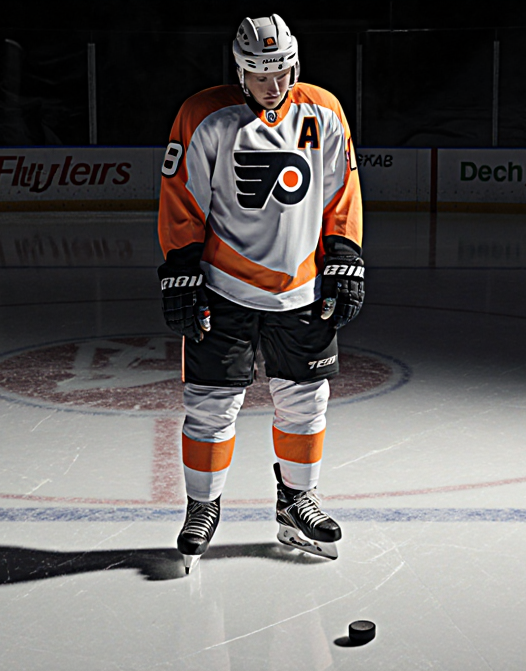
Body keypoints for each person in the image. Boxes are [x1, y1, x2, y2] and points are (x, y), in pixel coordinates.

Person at [157, 13, 365, 574]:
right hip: (224, 288)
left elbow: (340, 189)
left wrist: (345, 254)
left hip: (302, 287)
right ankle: (202, 507)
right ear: (239, 70)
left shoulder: (322, 109)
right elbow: (182, 197)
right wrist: (181, 266)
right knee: (209, 405)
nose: (273, 86)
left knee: (305, 401)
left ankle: (297, 500)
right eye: (259, 74)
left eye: (282, 72)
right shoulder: (204, 115)